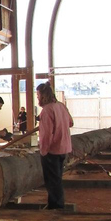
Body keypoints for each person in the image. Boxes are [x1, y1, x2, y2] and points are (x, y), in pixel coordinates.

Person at [36, 82, 74, 210]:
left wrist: (43, 151)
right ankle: (54, 204)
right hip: (64, 148)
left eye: (38, 95)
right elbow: (70, 122)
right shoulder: (61, 106)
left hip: (52, 150)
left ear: (43, 95)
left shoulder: (47, 110)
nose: (37, 98)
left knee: (52, 181)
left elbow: (47, 135)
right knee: (57, 179)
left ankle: (56, 207)